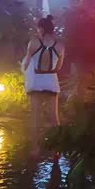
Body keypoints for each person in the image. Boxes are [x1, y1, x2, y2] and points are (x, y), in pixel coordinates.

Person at [22, 15, 65, 157]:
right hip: (51, 80)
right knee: (54, 118)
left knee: (35, 117)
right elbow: (58, 67)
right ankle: (56, 150)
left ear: (41, 29)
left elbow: (26, 64)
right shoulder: (60, 46)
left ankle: (34, 149)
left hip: (36, 81)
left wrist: (24, 72)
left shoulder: (34, 43)